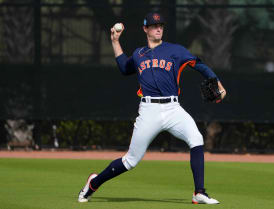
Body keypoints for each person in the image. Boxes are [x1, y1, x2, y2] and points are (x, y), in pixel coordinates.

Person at [78, 12, 226, 204]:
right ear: (145, 29)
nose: (158, 28)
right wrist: (115, 41)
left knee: (196, 138)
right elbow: (124, 67)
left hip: (173, 108)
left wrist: (218, 83)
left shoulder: (176, 50)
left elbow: (199, 65)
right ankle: (93, 183)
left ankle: (199, 192)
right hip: (149, 111)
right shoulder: (139, 54)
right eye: (154, 25)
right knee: (131, 161)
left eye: (161, 26)